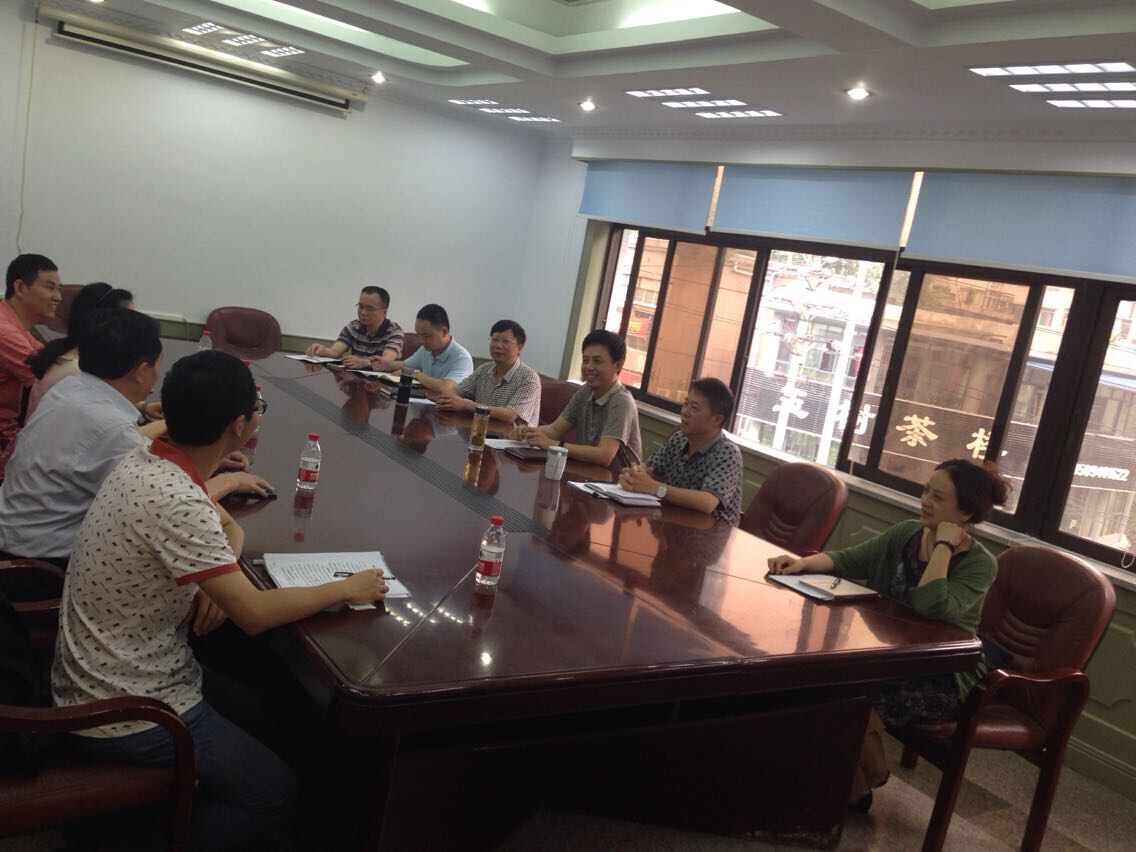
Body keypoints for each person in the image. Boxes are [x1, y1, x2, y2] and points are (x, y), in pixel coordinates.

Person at [52, 350, 388, 851]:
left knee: (268, 715)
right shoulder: (178, 501)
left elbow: (213, 518)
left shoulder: (145, 459)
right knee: (274, 793)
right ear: (240, 426)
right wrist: (346, 588)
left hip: (110, 671)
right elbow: (253, 613)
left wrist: (225, 530)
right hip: (125, 707)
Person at [767, 458, 1010, 811]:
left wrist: (943, 546)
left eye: (938, 497)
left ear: (965, 513)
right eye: (926, 491)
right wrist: (802, 563)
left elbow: (931, 604)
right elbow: (850, 559)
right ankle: (867, 778)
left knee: (847, 706)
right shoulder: (906, 534)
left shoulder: (980, 563)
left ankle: (854, 787)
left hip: (943, 677)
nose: (925, 501)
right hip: (890, 659)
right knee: (825, 688)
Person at [0, 310, 270, 568]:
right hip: (40, 563)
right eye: (158, 364)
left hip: (14, 533)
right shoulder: (111, 426)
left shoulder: (72, 388)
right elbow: (165, 500)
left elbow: (113, 446)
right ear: (141, 371)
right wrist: (232, 480)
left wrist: (209, 453)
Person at [515, 329, 642, 476]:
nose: (589, 367)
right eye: (585, 360)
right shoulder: (585, 391)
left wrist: (553, 445)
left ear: (618, 365)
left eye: (597, 361)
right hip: (587, 475)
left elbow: (604, 456)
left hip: (616, 482)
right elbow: (554, 430)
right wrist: (528, 432)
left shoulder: (622, 401)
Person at [619, 378, 743, 525]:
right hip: (673, 525)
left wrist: (655, 488)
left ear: (717, 419)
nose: (685, 412)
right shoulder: (679, 439)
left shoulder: (728, 453)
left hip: (711, 534)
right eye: (685, 404)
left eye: (694, 408)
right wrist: (632, 476)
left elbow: (707, 502)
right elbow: (646, 470)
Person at [26, 282, 139, 418]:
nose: (135, 329)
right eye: (129, 321)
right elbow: (105, 425)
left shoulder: (70, 355)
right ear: (104, 324)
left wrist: (142, 407)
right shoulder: (76, 373)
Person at [0, 254, 61, 462]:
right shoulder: (5, 331)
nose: (58, 297)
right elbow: (51, 380)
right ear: (20, 287)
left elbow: (52, 360)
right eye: (50, 287)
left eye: (59, 289)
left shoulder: (17, 327)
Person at [434, 319, 541, 425]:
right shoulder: (485, 369)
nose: (498, 346)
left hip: (510, 435)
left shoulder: (529, 378)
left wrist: (466, 405)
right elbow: (457, 390)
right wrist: (450, 399)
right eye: (494, 340)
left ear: (519, 348)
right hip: (479, 430)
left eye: (505, 341)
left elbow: (509, 415)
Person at [372, 303, 473, 394]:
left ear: (444, 332)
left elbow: (446, 388)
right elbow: (405, 365)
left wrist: (416, 374)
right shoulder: (426, 349)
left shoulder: (462, 358)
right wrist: (387, 365)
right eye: (419, 335)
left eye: (427, 336)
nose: (422, 340)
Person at [305, 285, 404, 370]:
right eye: (360, 306)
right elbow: (334, 352)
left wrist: (365, 363)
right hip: (355, 380)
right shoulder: (353, 326)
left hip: (379, 383)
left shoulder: (394, 332)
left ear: (384, 312)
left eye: (369, 309)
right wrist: (322, 351)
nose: (363, 312)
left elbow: (386, 361)